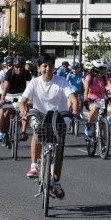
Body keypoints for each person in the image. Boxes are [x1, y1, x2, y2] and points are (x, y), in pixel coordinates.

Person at [20, 54, 72, 199]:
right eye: (44, 66)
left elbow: (71, 97)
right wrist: (24, 111)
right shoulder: (34, 82)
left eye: (50, 65)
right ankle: (34, 166)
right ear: (39, 68)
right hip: (40, 116)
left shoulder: (61, 81)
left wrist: (73, 110)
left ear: (54, 67)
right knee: (37, 132)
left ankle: (56, 182)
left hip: (58, 117)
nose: (47, 69)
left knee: (59, 146)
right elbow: (23, 101)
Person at [0, 56, 32, 142]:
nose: (19, 69)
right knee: (5, 114)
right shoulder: (9, 73)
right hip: (9, 94)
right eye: (17, 66)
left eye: (21, 67)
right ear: (13, 66)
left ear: (23, 66)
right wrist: (2, 98)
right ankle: (5, 133)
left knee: (25, 109)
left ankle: (23, 132)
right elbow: (5, 88)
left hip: (21, 95)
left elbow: (28, 86)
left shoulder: (27, 73)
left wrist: (30, 98)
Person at [83, 59, 111, 138]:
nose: (106, 70)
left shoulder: (105, 78)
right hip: (90, 100)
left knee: (103, 120)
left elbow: (110, 87)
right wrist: (85, 97)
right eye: (105, 69)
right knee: (94, 108)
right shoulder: (89, 77)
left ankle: (104, 141)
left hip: (101, 100)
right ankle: (88, 125)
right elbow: (86, 89)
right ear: (99, 69)